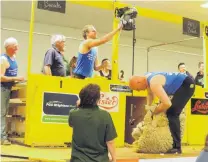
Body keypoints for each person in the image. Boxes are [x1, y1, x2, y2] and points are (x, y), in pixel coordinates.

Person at [129, 72, 195, 154]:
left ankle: (177, 147)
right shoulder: (147, 78)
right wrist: (148, 108)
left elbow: (167, 103)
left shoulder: (153, 83)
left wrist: (154, 111)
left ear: (138, 82)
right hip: (181, 84)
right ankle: (173, 144)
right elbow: (150, 94)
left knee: (172, 113)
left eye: (137, 89)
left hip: (186, 85)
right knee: (167, 110)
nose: (139, 91)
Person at [68, 84, 117, 162]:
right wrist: (114, 158)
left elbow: (71, 124)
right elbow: (110, 141)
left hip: (78, 159)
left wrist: (78, 106)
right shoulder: (105, 115)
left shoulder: (73, 114)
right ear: (97, 99)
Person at [1, 37, 24, 145]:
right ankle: (2, 137)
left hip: (10, 88)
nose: (17, 48)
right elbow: (1, 77)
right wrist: (15, 78)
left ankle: (4, 134)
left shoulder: (13, 57)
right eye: (15, 47)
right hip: (2, 88)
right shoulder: (3, 60)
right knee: (2, 113)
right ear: (9, 48)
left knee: (6, 112)